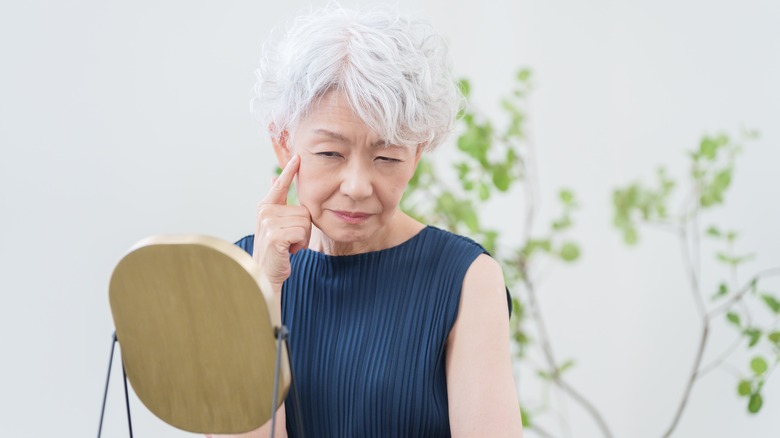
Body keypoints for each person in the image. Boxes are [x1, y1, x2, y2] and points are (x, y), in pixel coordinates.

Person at [219, 5, 523, 437]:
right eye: (330, 153)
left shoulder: (467, 280)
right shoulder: (238, 269)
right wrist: (264, 289)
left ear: (416, 155)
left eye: (387, 157)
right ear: (284, 145)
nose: (358, 186)